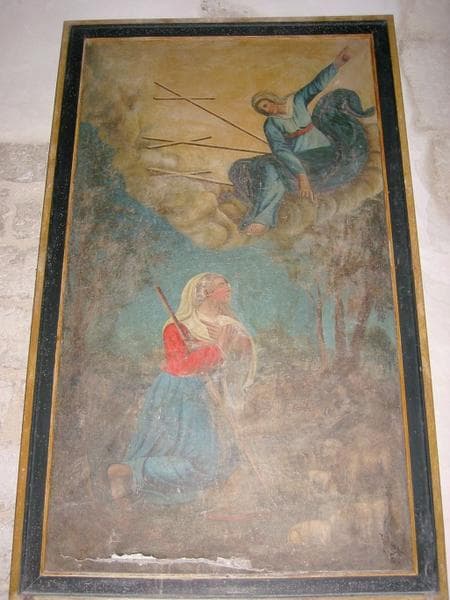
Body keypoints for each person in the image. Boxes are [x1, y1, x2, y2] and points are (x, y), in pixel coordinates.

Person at [107, 273, 256, 505]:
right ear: (205, 293)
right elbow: (180, 366)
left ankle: (208, 497)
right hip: (182, 396)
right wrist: (217, 348)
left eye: (227, 283)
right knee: (201, 465)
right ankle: (127, 471)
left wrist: (231, 346)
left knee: (227, 458)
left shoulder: (228, 324)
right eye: (221, 284)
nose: (228, 287)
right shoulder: (177, 326)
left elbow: (243, 354)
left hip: (214, 396)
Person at [229, 47, 375, 235]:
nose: (268, 110)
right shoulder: (271, 125)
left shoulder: (297, 101)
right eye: (263, 110)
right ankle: (261, 219)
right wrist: (300, 174)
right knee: (266, 165)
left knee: (271, 166)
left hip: (325, 152)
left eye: (266, 105)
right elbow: (280, 150)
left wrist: (338, 64)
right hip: (301, 158)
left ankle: (262, 219)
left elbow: (316, 85)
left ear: (272, 99)